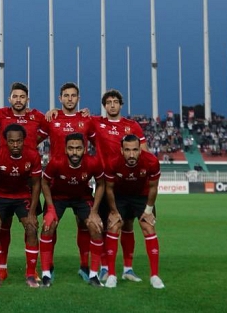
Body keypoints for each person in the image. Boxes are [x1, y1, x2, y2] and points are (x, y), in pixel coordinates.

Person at [0, 82, 48, 279]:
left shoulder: (36, 116)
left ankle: (31, 270)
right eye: (15, 96)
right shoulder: (0, 114)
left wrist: (54, 112)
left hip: (26, 178)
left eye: (22, 97)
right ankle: (2, 268)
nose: (18, 100)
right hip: (3, 177)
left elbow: (50, 128)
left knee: (31, 225)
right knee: (2, 226)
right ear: (9, 99)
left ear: (27, 99)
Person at [89, 89, 147, 282]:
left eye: (115, 101)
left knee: (128, 224)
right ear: (104, 106)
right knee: (106, 225)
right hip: (106, 183)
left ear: (121, 105)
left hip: (128, 184)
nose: (112, 105)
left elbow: (144, 152)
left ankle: (128, 269)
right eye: (108, 102)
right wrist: (55, 111)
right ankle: (105, 268)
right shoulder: (96, 123)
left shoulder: (132, 126)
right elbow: (73, 120)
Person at [39, 133, 105, 288]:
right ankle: (46, 274)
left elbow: (101, 184)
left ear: (85, 149)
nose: (74, 152)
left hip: (82, 197)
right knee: (48, 227)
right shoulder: (56, 162)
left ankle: (93, 275)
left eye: (78, 148)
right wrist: (50, 209)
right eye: (71, 148)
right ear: (65, 149)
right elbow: (44, 183)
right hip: (58, 197)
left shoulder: (93, 162)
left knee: (95, 227)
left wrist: (94, 212)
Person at [104, 134, 165, 289]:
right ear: (121, 150)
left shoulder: (151, 161)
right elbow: (109, 189)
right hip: (120, 196)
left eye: (135, 150)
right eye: (127, 150)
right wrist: (114, 211)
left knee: (148, 227)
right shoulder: (112, 162)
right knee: (114, 226)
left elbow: (153, 187)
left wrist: (148, 210)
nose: (131, 154)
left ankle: (154, 276)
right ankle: (111, 275)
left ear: (140, 150)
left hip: (142, 196)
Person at [0, 124, 42, 288]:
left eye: (19, 141)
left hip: (22, 196)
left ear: (24, 140)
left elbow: (36, 184)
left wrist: (32, 213)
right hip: (0, 196)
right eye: (12, 141)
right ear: (6, 141)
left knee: (32, 228)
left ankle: (30, 274)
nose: (15, 145)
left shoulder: (33, 155)